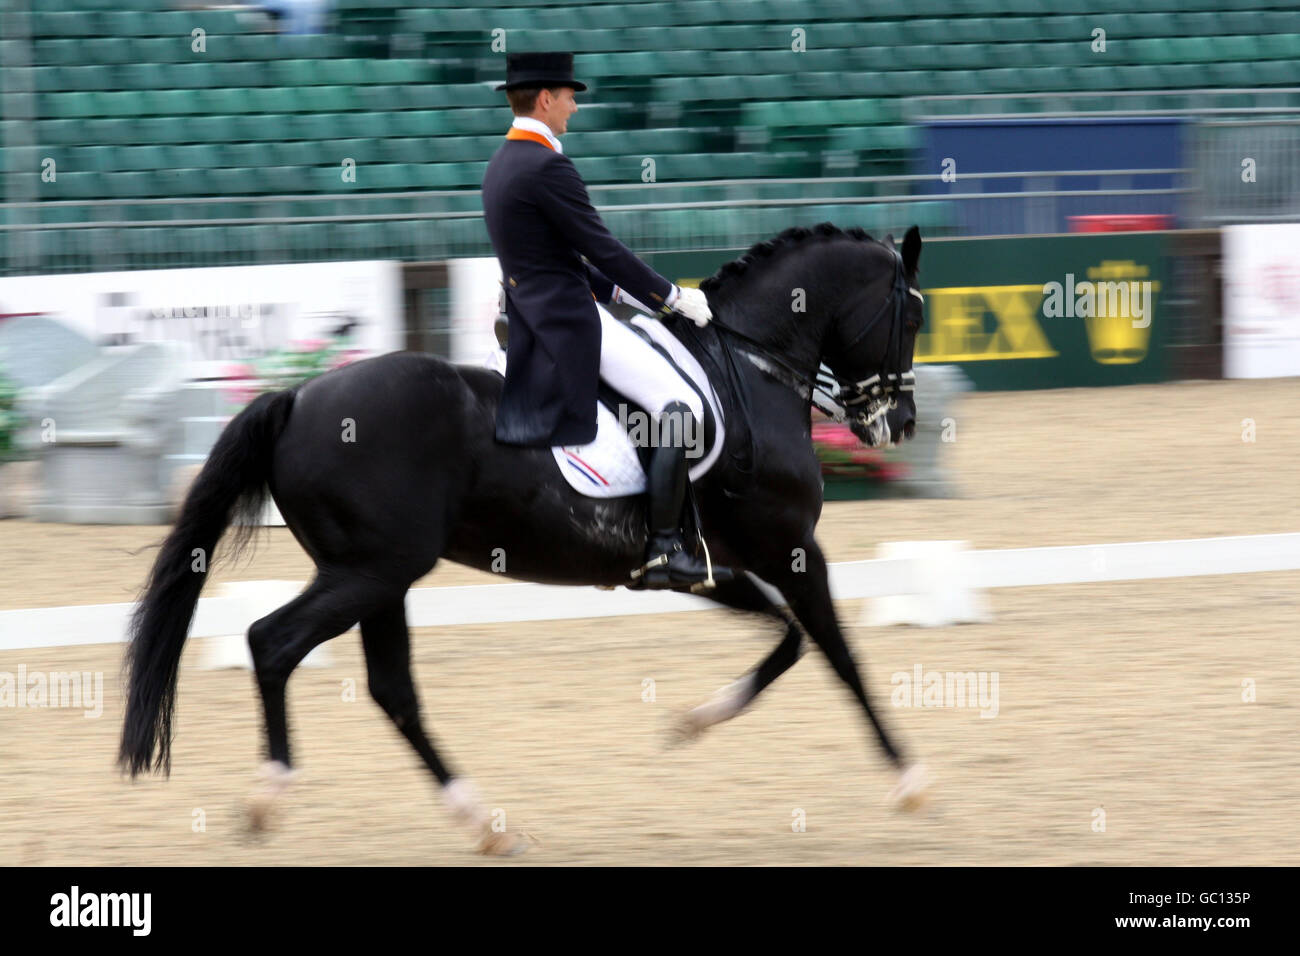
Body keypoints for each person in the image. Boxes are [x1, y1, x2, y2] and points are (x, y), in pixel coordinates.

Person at [481, 51, 731, 590]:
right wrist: (671, 297)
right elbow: (602, 247)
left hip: (533, 314)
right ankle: (664, 550)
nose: (574, 105)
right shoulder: (548, 165)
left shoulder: (502, 163)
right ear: (545, 99)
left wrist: (631, 297)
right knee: (681, 406)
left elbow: (560, 259)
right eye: (569, 95)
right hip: (568, 322)